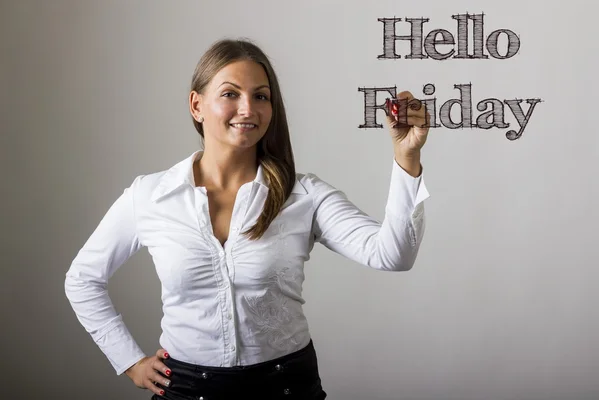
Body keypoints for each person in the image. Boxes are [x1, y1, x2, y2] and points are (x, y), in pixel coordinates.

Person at [64, 38, 430, 400]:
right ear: (197, 105)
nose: (248, 109)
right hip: (187, 390)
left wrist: (406, 158)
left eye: (260, 96)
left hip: (286, 388)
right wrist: (129, 361)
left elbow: (393, 255)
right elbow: (83, 279)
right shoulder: (151, 195)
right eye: (230, 94)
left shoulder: (304, 195)